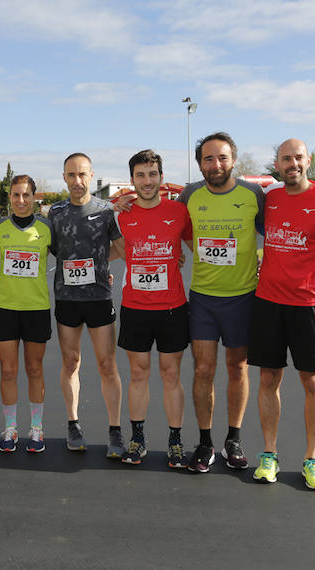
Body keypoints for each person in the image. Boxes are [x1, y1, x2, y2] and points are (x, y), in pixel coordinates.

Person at [249, 139, 315, 491]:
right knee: (268, 380)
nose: (292, 163)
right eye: (285, 158)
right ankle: (269, 454)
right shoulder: (272, 199)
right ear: (276, 164)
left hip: (309, 305)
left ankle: (312, 459)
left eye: (298, 157)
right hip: (267, 302)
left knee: (313, 382)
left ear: (308, 161)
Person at [176, 132, 265, 473]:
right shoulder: (190, 194)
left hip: (242, 297)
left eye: (222, 157)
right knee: (202, 369)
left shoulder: (253, 194)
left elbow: (276, 231)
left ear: (234, 160)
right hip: (203, 300)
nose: (216, 165)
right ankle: (204, 441)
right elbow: (175, 224)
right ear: (200, 164)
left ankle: (234, 438)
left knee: (237, 368)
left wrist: (263, 259)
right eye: (209, 159)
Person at [113, 150, 192, 467]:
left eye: (152, 174)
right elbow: (114, 250)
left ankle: (175, 440)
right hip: (135, 307)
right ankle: (138, 438)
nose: (147, 181)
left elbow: (200, 246)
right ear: (132, 179)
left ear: (161, 177)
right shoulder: (120, 214)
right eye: (140, 175)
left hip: (172, 307)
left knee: (171, 373)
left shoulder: (179, 212)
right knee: (138, 373)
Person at [49, 153, 124, 457]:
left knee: (108, 365)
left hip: (98, 298)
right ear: (64, 177)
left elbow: (119, 248)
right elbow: (54, 250)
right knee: (70, 363)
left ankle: (115, 431)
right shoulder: (56, 213)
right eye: (71, 175)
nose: (77, 181)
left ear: (91, 175)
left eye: (82, 175)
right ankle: (73, 424)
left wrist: (100, 264)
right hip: (67, 299)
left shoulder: (106, 211)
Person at [0, 175, 53, 453]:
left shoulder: (47, 229)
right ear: (10, 198)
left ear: (34, 197)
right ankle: (11, 428)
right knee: (7, 371)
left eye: (26, 195)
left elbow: (71, 256)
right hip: (5, 308)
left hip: (36, 309)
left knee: (34, 369)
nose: (21, 201)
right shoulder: (0, 229)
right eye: (16, 195)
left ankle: (37, 429)